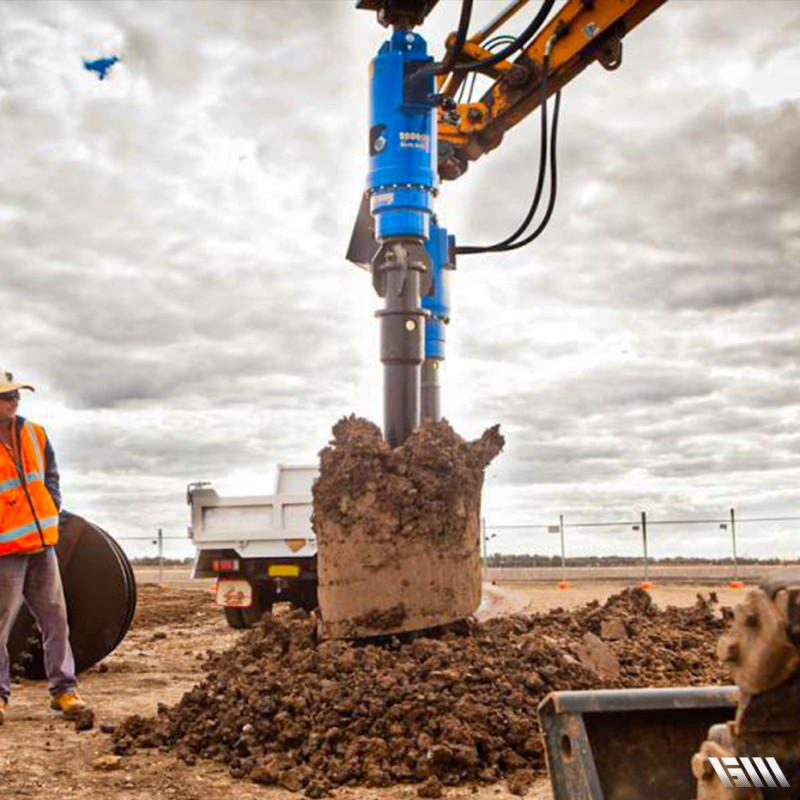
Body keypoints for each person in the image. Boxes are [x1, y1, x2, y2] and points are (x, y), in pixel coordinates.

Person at [0, 369, 87, 724]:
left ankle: (64, 690)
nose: (15, 400)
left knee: (56, 619)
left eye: (17, 394)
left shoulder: (34, 433)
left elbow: (51, 475)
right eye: (7, 396)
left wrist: (51, 506)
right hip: (5, 549)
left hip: (41, 545)